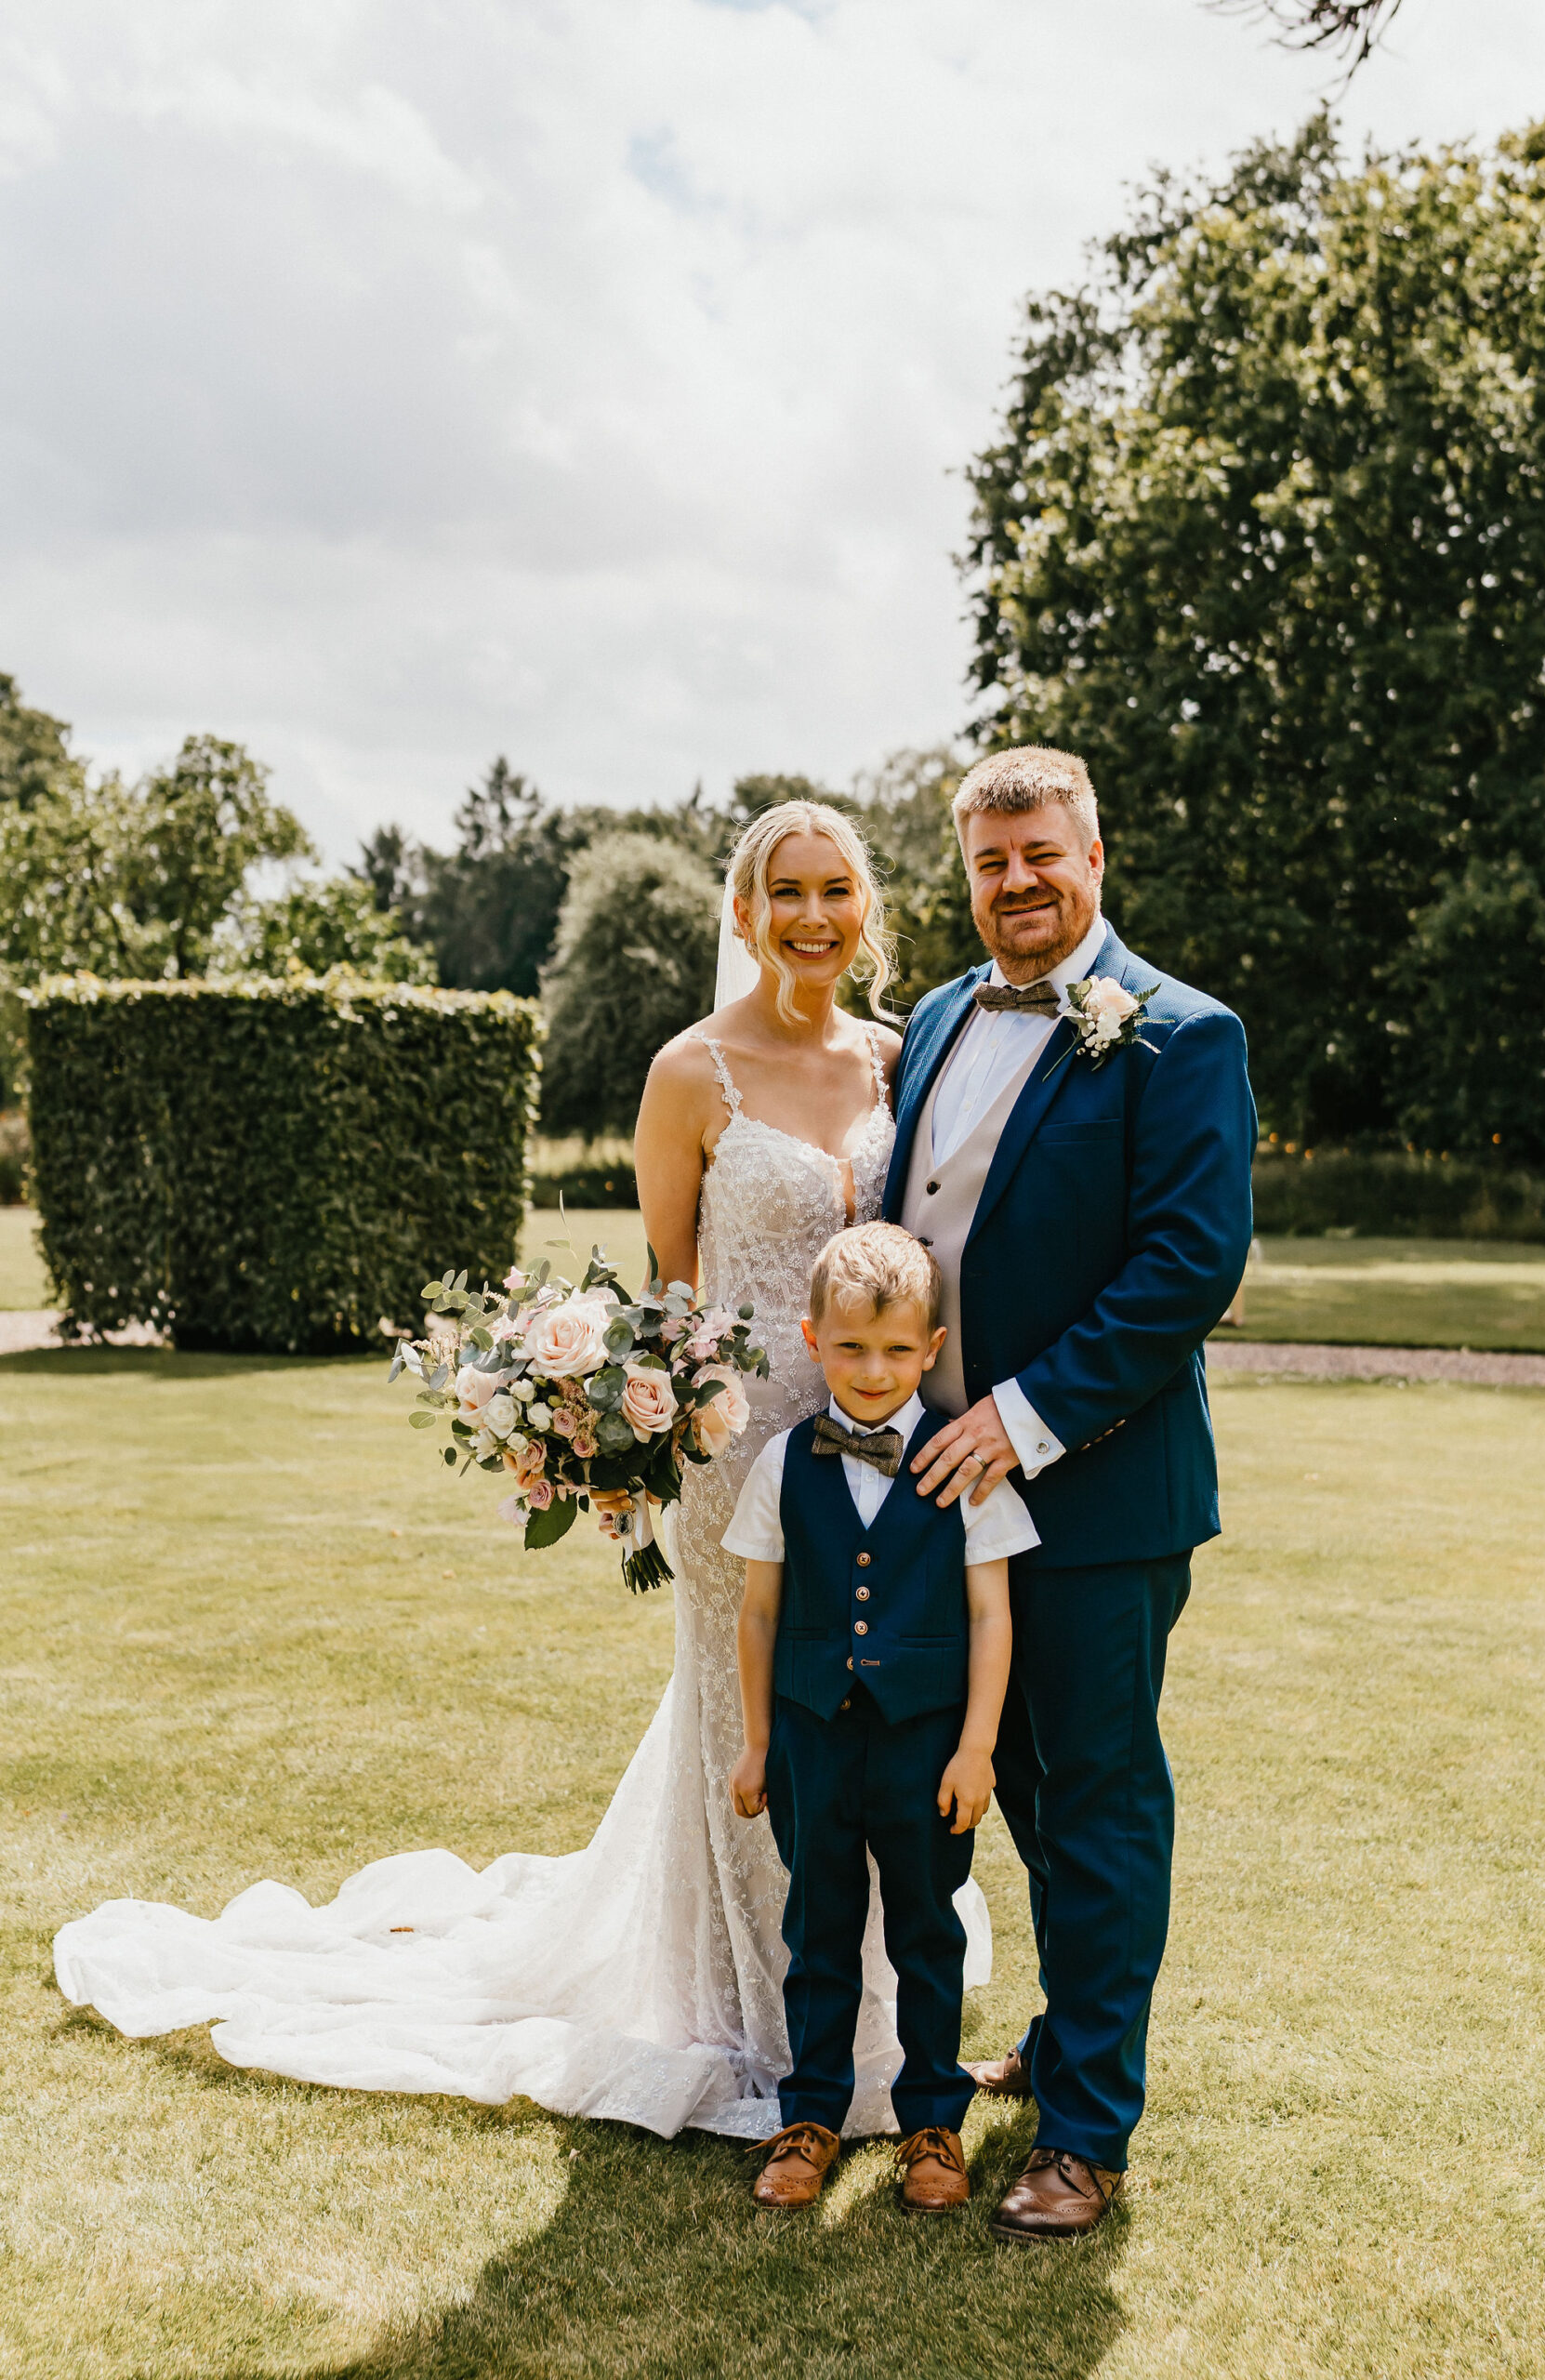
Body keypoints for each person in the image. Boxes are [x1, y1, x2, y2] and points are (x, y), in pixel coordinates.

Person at [53, 800, 991, 2143]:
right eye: (783, 891)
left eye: (834, 889)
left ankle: (900, 2017)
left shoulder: (903, 1061)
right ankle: (774, 2030)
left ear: (867, 908)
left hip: (888, 1455)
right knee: (754, 1733)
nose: (811, 915)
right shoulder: (690, 1074)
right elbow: (670, 1287)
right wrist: (661, 1430)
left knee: (889, 1711)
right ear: (743, 912)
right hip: (742, 1465)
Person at [882, 746, 1256, 2241]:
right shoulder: (928, 1020)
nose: (1016, 882)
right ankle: (1055, 2044)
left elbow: (1187, 1267)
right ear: (966, 874)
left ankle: (1084, 2130)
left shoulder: (1179, 1034)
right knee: (1013, 1791)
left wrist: (1022, 1418)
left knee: (1095, 1801)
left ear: (1092, 857)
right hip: (937, 1501)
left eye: (1041, 854)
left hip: (1093, 1497)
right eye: (989, 862)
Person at [725, 1223, 1037, 2213]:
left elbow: (992, 1610)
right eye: (852, 1347)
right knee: (817, 1929)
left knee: (924, 1932)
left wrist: (978, 1746)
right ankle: (810, 2114)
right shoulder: (783, 1464)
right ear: (814, 1339)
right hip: (812, 1739)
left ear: (932, 1349)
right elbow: (761, 1609)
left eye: (898, 1349)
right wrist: (759, 1742)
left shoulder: (964, 1461)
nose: (873, 1369)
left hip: (924, 1744)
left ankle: (932, 2122)